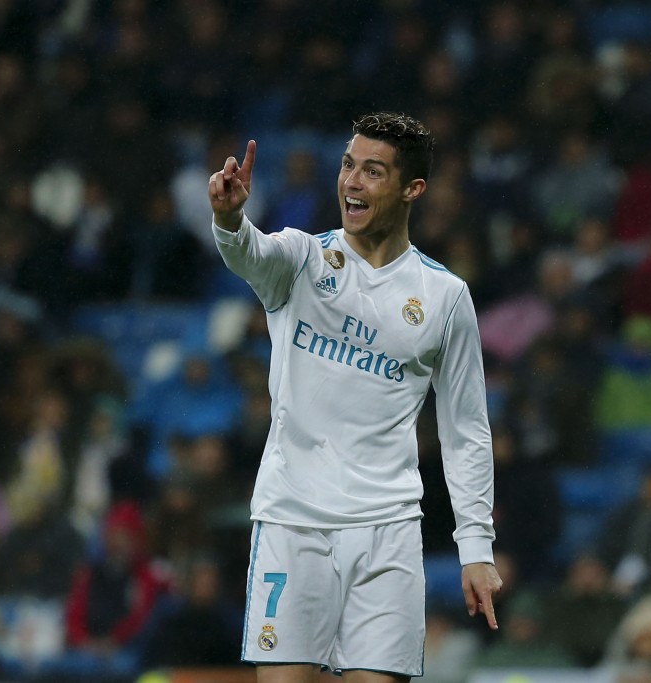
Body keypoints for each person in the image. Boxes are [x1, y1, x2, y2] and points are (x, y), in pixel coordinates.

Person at [208, 111, 501, 682]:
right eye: (347, 166)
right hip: (294, 522)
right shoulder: (302, 260)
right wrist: (229, 219)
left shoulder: (443, 297)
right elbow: (250, 254)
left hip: (388, 530)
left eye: (372, 171)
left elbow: (465, 428)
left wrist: (476, 546)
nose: (352, 182)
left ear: (412, 189)